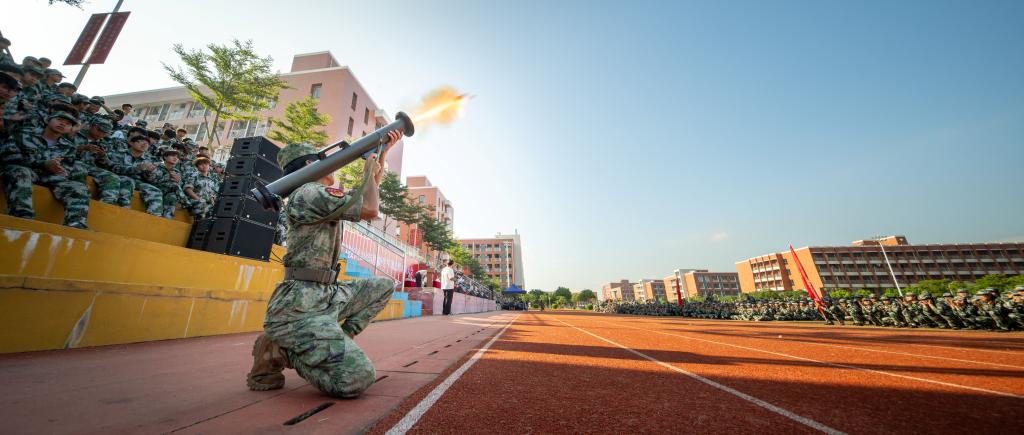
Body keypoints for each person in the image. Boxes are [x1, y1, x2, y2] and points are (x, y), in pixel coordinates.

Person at [247, 130, 403, 398]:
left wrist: (380, 156)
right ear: (311, 164)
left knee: (382, 286)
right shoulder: (309, 193)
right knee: (355, 379)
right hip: (301, 306)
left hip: (326, 294)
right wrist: (369, 169)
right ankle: (281, 349)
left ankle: (331, 342)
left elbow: (363, 199)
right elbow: (370, 209)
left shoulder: (317, 194)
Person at [0, 111, 91, 229]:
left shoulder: (68, 146)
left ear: (70, 129)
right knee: (20, 172)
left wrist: (60, 169)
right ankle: (22, 214)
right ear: (47, 120)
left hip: (49, 176)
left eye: (68, 124)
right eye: (59, 120)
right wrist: (42, 164)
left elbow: (68, 165)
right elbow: (8, 157)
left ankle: (75, 224)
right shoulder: (23, 134)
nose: (63, 124)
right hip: (25, 171)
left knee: (79, 187)